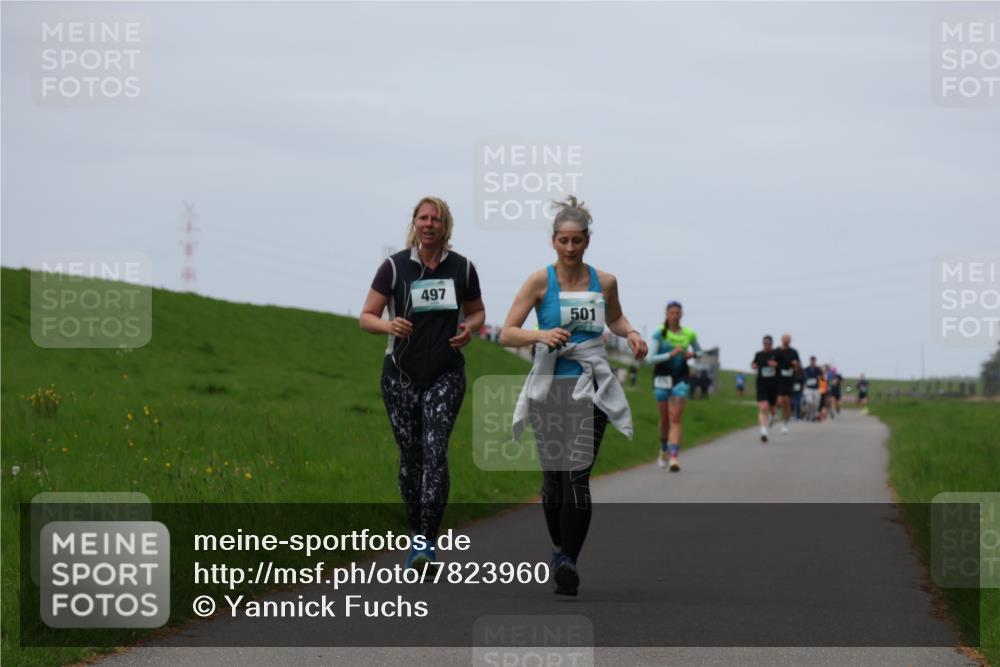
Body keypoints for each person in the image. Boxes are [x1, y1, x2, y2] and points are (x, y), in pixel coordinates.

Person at [501, 195, 646, 596]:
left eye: (576, 241)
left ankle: (568, 562)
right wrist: (539, 334)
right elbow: (506, 332)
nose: (569, 248)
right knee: (554, 482)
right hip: (550, 388)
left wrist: (630, 333)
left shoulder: (606, 282)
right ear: (553, 241)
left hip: (591, 388)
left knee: (577, 477)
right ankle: (559, 548)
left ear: (587, 241)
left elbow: (614, 316)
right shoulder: (538, 282)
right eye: (563, 241)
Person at [359, 196, 486, 569]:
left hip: (446, 373)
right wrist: (389, 324)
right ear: (414, 223)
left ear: (446, 226)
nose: (429, 224)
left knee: (434, 451)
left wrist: (469, 328)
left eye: (436, 219)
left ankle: (428, 542)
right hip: (399, 376)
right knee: (411, 459)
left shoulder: (462, 269)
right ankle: (416, 534)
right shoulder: (395, 267)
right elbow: (366, 316)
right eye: (423, 218)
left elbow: (477, 311)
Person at [645, 301, 701, 471]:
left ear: (681, 315)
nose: (675, 316)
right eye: (672, 313)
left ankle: (674, 457)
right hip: (661, 378)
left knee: (675, 418)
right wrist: (671, 354)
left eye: (678, 313)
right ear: (667, 314)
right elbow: (650, 359)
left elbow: (699, 351)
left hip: (680, 378)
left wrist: (693, 353)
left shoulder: (689, 334)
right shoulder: (659, 334)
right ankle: (663, 449)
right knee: (664, 419)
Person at [751, 335, 780, 442]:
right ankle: (763, 432)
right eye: (765, 343)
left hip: (773, 385)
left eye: (768, 343)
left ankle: (773, 415)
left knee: (772, 408)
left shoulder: (776, 354)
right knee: (763, 407)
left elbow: (782, 365)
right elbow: (754, 363)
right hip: (762, 384)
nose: (766, 345)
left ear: (772, 344)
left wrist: (776, 365)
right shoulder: (759, 354)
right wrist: (754, 365)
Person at [774, 334, 801, 434]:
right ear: (781, 340)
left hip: (789, 380)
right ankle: (775, 413)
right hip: (779, 379)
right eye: (785, 339)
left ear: (790, 341)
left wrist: (796, 364)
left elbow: (798, 367)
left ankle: (785, 424)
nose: (787, 341)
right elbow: (771, 363)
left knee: (787, 402)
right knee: (779, 400)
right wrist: (774, 365)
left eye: (788, 339)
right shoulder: (776, 351)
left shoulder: (794, 352)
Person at [802, 356, 823, 422]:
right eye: (812, 361)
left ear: (815, 361)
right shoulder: (806, 369)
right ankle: (808, 414)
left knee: (816, 404)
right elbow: (802, 377)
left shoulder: (818, 369)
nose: (813, 362)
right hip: (808, 388)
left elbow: (822, 378)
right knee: (809, 401)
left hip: (816, 388)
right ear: (810, 361)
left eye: (814, 361)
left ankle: (813, 415)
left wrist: (820, 377)